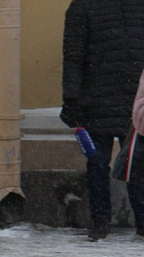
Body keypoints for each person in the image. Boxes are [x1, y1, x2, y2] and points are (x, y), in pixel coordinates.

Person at [60, 0, 144, 241]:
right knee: (102, 163)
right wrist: (72, 98)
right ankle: (103, 220)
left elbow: (73, 56)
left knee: (132, 163)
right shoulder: (83, 7)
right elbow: (74, 56)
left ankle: (121, 221)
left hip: (128, 101)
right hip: (101, 101)